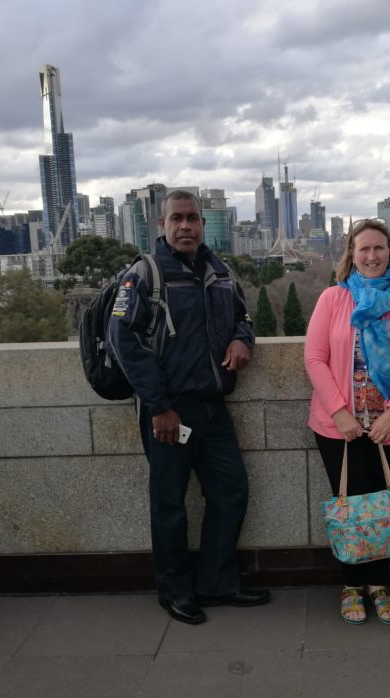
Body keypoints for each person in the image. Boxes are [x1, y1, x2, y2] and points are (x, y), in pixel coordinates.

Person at [108, 189, 269, 625]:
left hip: (213, 407)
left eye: (192, 218)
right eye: (176, 218)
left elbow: (243, 317)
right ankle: (175, 590)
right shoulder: (144, 274)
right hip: (168, 412)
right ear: (161, 224)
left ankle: (217, 582)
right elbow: (123, 340)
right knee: (169, 504)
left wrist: (242, 339)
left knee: (231, 489)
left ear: (203, 223)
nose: (185, 226)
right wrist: (158, 406)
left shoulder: (219, 270)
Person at [304, 219, 390, 624]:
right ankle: (351, 585)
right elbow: (315, 358)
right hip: (339, 427)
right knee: (351, 506)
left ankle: (379, 583)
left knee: (385, 506)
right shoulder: (332, 300)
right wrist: (340, 412)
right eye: (364, 249)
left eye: (379, 248)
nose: (372, 256)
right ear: (351, 257)